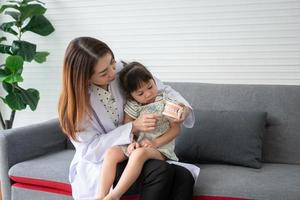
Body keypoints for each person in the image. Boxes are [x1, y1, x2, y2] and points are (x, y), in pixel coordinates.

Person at [58, 37, 198, 200]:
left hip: (135, 148)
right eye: (104, 73)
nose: (113, 72)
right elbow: (91, 151)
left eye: (112, 62)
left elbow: (163, 90)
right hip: (104, 163)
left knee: (184, 177)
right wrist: (133, 127)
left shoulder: (124, 70)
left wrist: (183, 110)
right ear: (84, 77)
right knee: (160, 171)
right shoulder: (75, 107)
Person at [98, 61, 185, 200]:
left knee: (139, 154)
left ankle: (115, 195)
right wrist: (131, 142)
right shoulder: (133, 106)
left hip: (160, 149)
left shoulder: (166, 102)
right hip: (138, 145)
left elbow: (176, 130)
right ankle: (100, 196)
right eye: (140, 93)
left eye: (150, 86)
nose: (148, 94)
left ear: (153, 80)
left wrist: (155, 143)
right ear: (131, 95)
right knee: (111, 152)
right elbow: (128, 128)